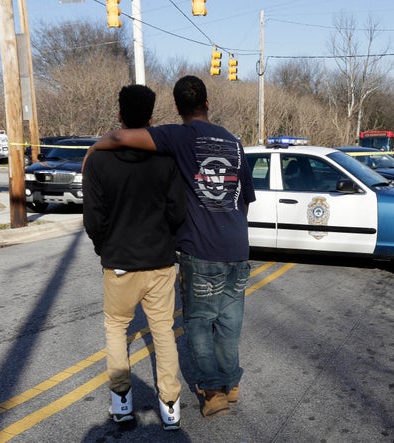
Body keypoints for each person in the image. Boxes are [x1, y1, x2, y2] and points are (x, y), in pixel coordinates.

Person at [88, 75, 256, 418]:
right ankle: (214, 390)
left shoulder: (177, 137)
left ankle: (209, 392)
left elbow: (118, 140)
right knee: (227, 323)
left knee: (196, 324)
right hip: (233, 247)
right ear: (208, 103)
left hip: (193, 250)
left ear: (177, 109)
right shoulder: (234, 143)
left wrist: (91, 151)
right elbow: (242, 200)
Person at [82, 85, 186, 430]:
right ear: (152, 117)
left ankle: (122, 404)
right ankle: (170, 406)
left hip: (120, 262)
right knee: (163, 332)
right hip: (159, 259)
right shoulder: (165, 158)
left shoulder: (97, 160)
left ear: (120, 114)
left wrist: (104, 247)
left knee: (116, 329)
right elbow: (177, 211)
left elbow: (93, 218)